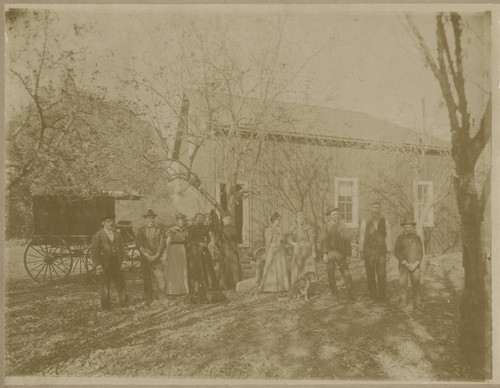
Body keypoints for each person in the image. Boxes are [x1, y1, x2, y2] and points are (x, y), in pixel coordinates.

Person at [90, 214, 129, 310]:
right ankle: (106, 306)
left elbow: (122, 249)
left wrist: (124, 261)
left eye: (112, 221)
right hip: (104, 264)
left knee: (120, 283)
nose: (111, 223)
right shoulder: (98, 235)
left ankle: (124, 303)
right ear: (103, 223)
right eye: (108, 221)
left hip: (117, 263)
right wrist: (98, 266)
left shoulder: (117, 235)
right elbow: (94, 253)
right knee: (105, 285)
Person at [319, 207, 355, 301]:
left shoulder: (343, 226)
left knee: (346, 274)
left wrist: (348, 255)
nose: (335, 216)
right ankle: (335, 295)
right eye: (333, 215)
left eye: (336, 214)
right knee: (331, 275)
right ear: (330, 216)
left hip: (341, 253)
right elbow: (322, 241)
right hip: (330, 253)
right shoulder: (325, 227)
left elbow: (347, 240)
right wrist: (324, 253)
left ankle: (352, 295)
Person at [359, 202, 392, 301]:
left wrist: (389, 251)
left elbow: (388, 236)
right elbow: (362, 236)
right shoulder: (365, 221)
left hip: (381, 251)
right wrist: (361, 250)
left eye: (377, 207)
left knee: (382, 274)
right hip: (369, 251)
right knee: (370, 274)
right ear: (370, 208)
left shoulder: (384, 221)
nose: (376, 209)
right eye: (374, 207)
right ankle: (372, 295)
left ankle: (382, 295)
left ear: (380, 209)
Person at [135, 209, 165, 303]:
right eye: (148, 218)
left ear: (154, 219)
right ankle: (148, 298)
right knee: (147, 278)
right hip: (145, 258)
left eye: (152, 218)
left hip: (156, 257)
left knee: (160, 277)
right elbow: (139, 244)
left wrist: (157, 255)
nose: (150, 220)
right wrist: (147, 255)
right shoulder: (141, 230)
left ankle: (163, 297)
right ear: (145, 220)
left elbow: (162, 243)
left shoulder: (159, 230)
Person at [187, 213, 219, 295]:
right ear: (195, 219)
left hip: (204, 248)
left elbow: (208, 238)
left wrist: (206, 242)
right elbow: (190, 240)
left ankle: (208, 286)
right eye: (198, 218)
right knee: (197, 267)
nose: (200, 219)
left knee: (207, 266)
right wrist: (198, 243)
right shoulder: (191, 228)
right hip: (195, 250)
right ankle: (196, 287)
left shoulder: (205, 228)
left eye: (201, 218)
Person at [394, 220, 423, 308]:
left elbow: (420, 252)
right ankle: (403, 302)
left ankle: (417, 303)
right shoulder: (399, 238)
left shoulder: (417, 238)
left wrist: (416, 263)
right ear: (404, 228)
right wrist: (405, 263)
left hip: (415, 265)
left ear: (413, 228)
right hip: (404, 265)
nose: (408, 229)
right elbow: (396, 252)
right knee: (403, 285)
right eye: (406, 227)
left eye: (410, 227)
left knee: (416, 285)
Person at [159, 212, 189, 295]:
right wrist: (168, 252)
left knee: (182, 269)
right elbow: (168, 241)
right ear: (176, 221)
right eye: (179, 221)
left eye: (182, 221)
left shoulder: (184, 230)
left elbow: (186, 241)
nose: (181, 222)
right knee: (174, 269)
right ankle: (173, 291)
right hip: (174, 249)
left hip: (182, 249)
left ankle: (182, 290)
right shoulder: (172, 230)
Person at [260, 212, 290, 292]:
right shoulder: (270, 229)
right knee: (272, 267)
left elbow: (282, 240)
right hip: (273, 250)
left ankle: (281, 287)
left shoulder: (279, 229)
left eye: (280, 220)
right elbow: (268, 242)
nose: (280, 222)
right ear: (273, 220)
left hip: (280, 250)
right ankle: (270, 287)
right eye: (278, 220)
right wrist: (267, 251)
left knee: (280, 267)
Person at [287, 212, 316, 284]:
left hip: (308, 250)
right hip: (298, 250)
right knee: (298, 268)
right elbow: (287, 237)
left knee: (308, 268)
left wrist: (313, 251)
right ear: (296, 219)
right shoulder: (294, 228)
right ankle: (298, 287)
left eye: (303, 218)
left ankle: (309, 288)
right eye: (300, 218)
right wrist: (292, 243)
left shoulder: (308, 228)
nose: (302, 220)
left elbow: (312, 240)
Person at [221, 215, 242, 290]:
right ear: (223, 220)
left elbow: (236, 238)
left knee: (234, 265)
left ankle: (235, 284)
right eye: (227, 219)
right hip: (225, 247)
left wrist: (236, 246)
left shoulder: (233, 228)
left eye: (229, 219)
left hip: (233, 247)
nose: (228, 220)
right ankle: (227, 285)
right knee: (227, 265)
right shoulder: (221, 228)